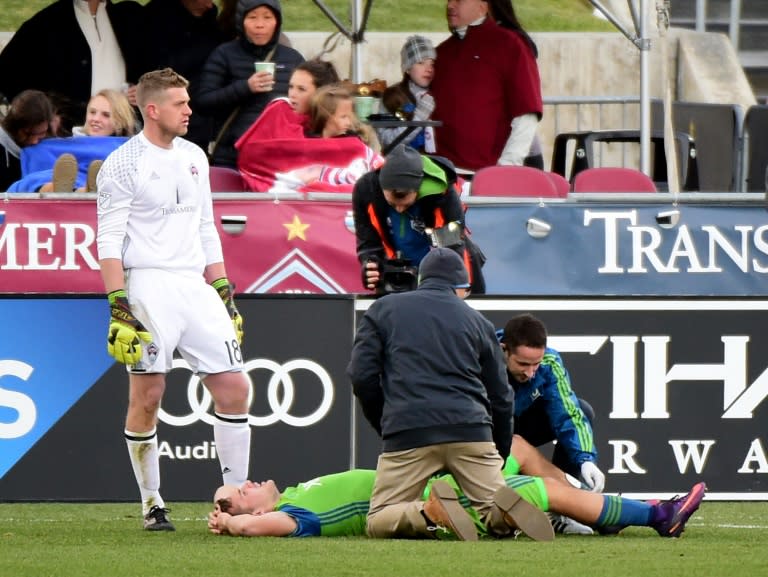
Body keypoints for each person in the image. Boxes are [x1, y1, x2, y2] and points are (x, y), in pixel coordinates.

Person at [95, 68, 252, 531]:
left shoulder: (194, 156)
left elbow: (206, 224)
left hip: (194, 284)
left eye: (188, 101)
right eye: (180, 103)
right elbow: (107, 239)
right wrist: (118, 303)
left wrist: (222, 287)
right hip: (147, 285)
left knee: (235, 388)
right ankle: (152, 503)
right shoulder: (124, 163)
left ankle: (236, 499)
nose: (189, 110)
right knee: (148, 396)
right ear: (152, 109)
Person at [347, 247, 550, 541]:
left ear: (421, 279)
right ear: (461, 287)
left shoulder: (383, 309)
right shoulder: (479, 323)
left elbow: (361, 376)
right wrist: (499, 451)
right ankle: (501, 511)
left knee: (380, 517)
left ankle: (428, 514)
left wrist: (387, 423)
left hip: (410, 430)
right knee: (492, 513)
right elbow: (501, 396)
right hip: (472, 431)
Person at [207, 465, 706, 539]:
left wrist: (228, 506)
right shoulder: (298, 514)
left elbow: (238, 504)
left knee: (525, 479)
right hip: (421, 496)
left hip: (429, 480)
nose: (247, 484)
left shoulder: (296, 490)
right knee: (534, 490)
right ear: (256, 510)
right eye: (242, 494)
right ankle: (656, 514)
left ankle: (581, 518)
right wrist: (232, 524)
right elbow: (252, 528)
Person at [351, 143, 485, 294]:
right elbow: (368, 244)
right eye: (392, 204)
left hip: (442, 272)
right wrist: (371, 264)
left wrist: (458, 287)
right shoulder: (365, 190)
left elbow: (452, 247)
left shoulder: (443, 194)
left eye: (405, 203)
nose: (399, 209)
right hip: (397, 277)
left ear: (419, 188)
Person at [430, 0, 544, 172]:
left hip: (488, 175)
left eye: (459, 0)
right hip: (441, 173)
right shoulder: (441, 53)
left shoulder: (510, 44)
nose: (450, 5)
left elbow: (526, 114)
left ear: (483, 6)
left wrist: (508, 167)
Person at [499, 313, 606, 492]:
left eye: (536, 364)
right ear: (504, 350)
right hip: (489, 429)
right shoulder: (482, 359)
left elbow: (568, 413)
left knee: (583, 410)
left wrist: (585, 459)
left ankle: (565, 503)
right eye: (523, 364)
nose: (530, 373)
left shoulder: (550, 361)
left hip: (523, 425)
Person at [195, 0, 305, 167]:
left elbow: (311, 101)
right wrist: (245, 87)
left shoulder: (293, 58)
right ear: (241, 21)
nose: (260, 25)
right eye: (252, 17)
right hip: (232, 156)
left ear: (277, 22)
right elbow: (203, 101)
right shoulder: (224, 54)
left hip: (281, 156)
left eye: (267, 18)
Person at [0, 0, 148, 124]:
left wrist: (144, 90)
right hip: (71, 135)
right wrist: (44, 113)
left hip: (120, 132)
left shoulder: (127, 18)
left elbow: (150, 70)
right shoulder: (46, 24)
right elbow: (9, 75)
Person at [8, 89, 136, 193]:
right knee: (37, 176)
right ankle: (58, 189)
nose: (96, 119)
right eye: (92, 112)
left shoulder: (127, 147)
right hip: (57, 178)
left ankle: (83, 191)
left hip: (100, 186)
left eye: (105, 115)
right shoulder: (67, 142)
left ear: (120, 122)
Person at [143, 0, 228, 149]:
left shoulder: (211, 19)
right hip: (169, 104)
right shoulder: (157, 17)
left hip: (202, 110)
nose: (210, 4)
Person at [279, 85, 384, 188]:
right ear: (325, 117)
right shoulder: (308, 142)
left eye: (350, 116)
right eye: (343, 117)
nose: (349, 122)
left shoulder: (352, 142)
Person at [380, 35, 437, 154]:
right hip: (403, 166)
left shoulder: (440, 93)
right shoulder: (393, 96)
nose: (428, 69)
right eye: (421, 63)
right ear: (407, 68)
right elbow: (388, 141)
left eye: (432, 63)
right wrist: (418, 118)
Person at [0, 90, 54, 191]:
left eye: (41, 134)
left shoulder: (47, 145)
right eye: (28, 134)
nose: (34, 141)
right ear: (14, 126)